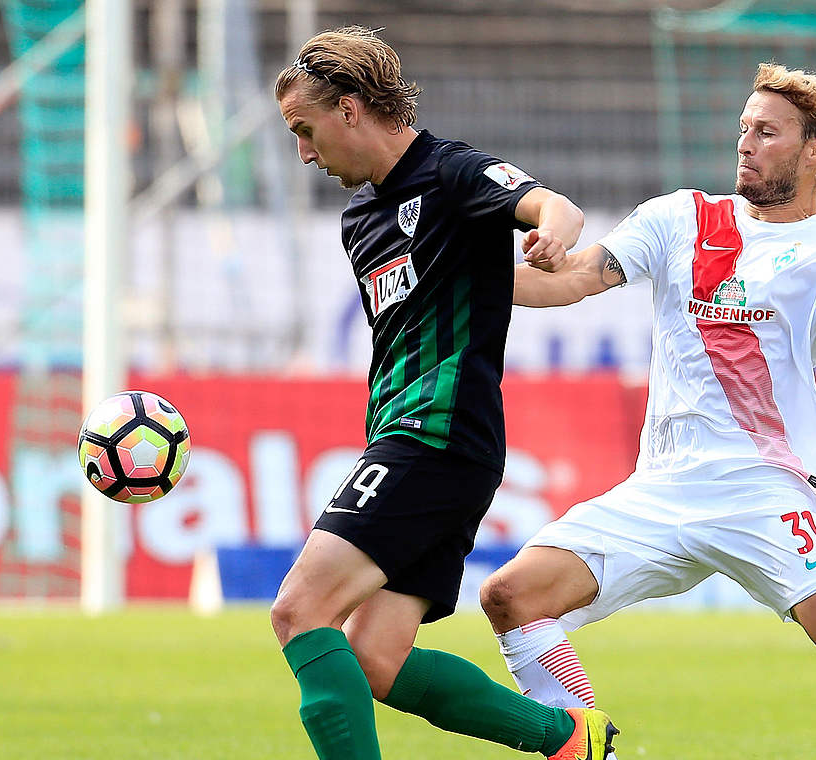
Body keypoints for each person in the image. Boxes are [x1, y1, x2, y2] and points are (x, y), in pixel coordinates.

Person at [481, 62, 816, 760]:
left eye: (767, 132)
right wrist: (460, 277)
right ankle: (593, 751)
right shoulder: (679, 218)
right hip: (664, 488)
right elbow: (577, 279)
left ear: (814, 151)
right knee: (510, 596)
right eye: (744, 128)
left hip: (765, 489)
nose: (745, 143)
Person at [269, 26, 618, 760]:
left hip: (436, 436)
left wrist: (555, 238)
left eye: (306, 130)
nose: (304, 152)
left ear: (352, 108)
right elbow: (486, 289)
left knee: (301, 611)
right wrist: (561, 279)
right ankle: (570, 739)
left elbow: (554, 208)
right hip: (419, 443)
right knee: (376, 661)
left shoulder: (451, 172)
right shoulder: (361, 221)